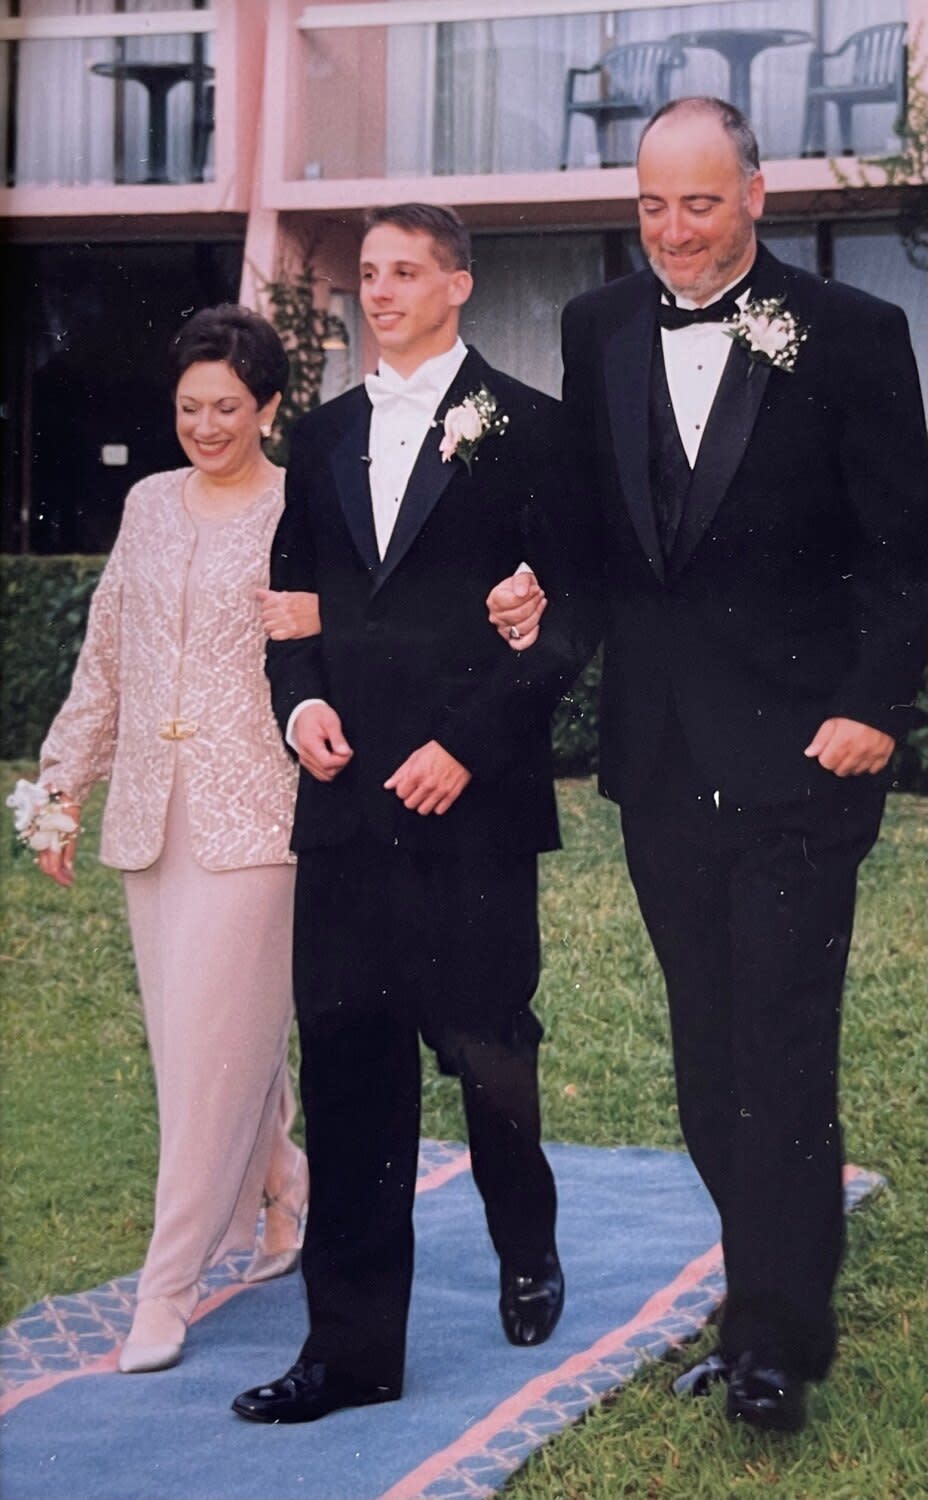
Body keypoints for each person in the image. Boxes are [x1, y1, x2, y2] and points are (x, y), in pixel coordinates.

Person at [488, 97, 928, 1433]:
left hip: (807, 754)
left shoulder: (856, 334)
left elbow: (906, 554)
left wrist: (875, 709)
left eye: (699, 203)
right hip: (663, 756)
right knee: (704, 1048)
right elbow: (590, 532)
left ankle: (776, 1341)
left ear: (756, 196)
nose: (674, 232)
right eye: (652, 206)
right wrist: (537, 597)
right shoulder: (598, 327)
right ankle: (763, 1291)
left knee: (780, 1042)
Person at [231, 204, 595, 1426]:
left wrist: (470, 750)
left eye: (402, 272)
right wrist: (301, 712)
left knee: (488, 1052)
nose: (376, 292)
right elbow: (289, 608)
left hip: (473, 813)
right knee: (347, 1077)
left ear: (459, 284)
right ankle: (346, 1354)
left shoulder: (533, 431)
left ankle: (524, 1239)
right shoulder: (323, 436)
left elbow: (567, 630)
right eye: (366, 275)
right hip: (342, 810)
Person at [37, 305, 315, 1374]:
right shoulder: (147, 503)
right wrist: (63, 784)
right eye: (189, 408)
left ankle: (167, 1289)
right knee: (201, 1047)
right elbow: (107, 655)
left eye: (227, 409)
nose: (205, 426)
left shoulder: (305, 502)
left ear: (270, 409)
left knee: (206, 1054)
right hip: (152, 817)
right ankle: (282, 1191)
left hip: (261, 814)